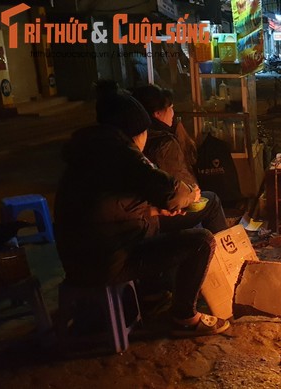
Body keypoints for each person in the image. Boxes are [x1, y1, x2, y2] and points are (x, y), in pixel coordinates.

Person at [54, 82, 230, 337]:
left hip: (80, 257)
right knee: (201, 241)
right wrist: (190, 194)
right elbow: (171, 192)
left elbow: (108, 206)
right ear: (136, 129)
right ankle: (184, 316)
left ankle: (159, 292)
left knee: (169, 226)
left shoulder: (90, 152)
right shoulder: (121, 153)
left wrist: (153, 211)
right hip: (107, 260)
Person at [132, 84, 228, 234]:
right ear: (157, 113)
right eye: (170, 108)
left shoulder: (135, 138)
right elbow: (177, 185)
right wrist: (192, 193)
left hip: (147, 211)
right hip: (157, 215)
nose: (172, 113)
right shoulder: (163, 142)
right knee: (212, 201)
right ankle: (227, 254)